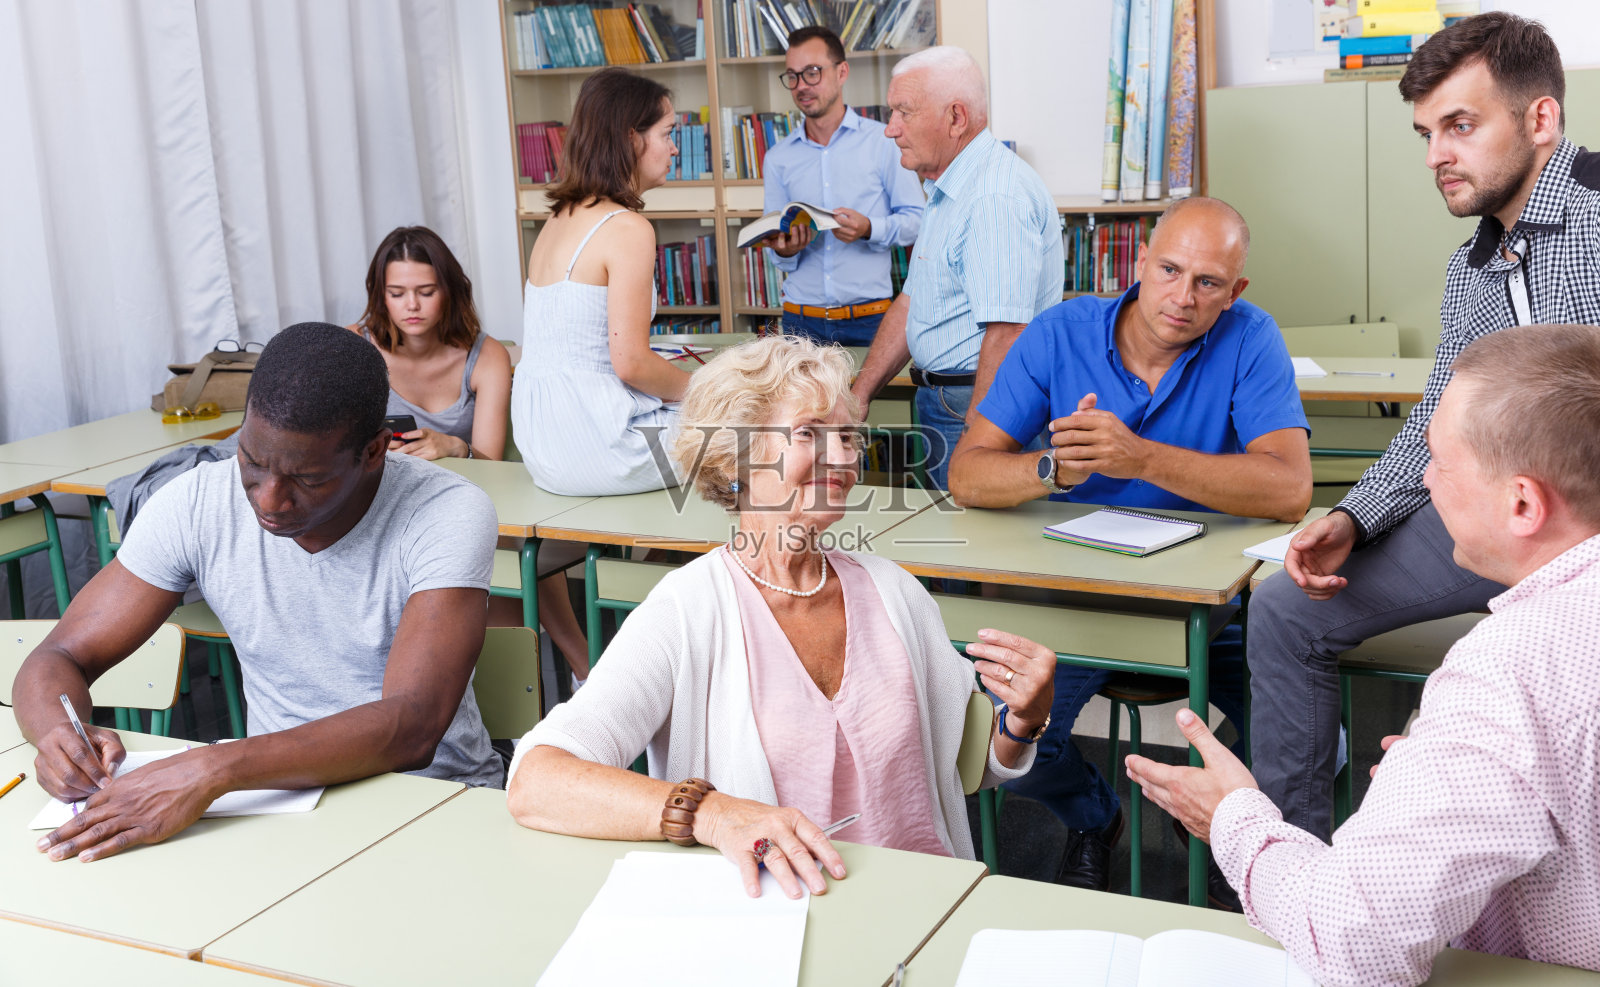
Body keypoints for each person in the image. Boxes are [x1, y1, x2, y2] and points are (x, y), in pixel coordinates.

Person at [1129, 323, 1600, 984]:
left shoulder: (1507, 671)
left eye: (1440, 460)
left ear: (1522, 501)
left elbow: (1358, 947)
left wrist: (1235, 818)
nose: (1427, 483)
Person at [506, 336, 1056, 898]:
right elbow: (536, 781)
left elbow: (966, 766)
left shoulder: (896, 593)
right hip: (774, 922)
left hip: (919, 905)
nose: (843, 458)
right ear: (736, 457)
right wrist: (713, 814)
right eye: (810, 434)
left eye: (847, 437)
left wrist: (1023, 720)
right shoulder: (688, 611)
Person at [1247, 11, 1600, 842]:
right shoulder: (1470, 267)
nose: (1438, 153)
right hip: (1497, 523)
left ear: (1540, 119)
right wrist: (1351, 517)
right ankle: (1293, 870)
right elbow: (1431, 426)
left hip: (1582, 537)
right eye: (1425, 133)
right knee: (1285, 609)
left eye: (1461, 125)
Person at [15, 323, 501, 864]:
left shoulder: (446, 512)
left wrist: (213, 769)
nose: (269, 499)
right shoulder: (197, 503)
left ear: (374, 452)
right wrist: (59, 736)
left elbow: (413, 724)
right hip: (274, 805)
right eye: (252, 461)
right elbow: (58, 656)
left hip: (432, 801)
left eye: (307, 479)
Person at [947, 197, 1311, 893]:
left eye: (1208, 283)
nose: (1182, 296)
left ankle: (1215, 807)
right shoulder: (1061, 332)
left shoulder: (1251, 337)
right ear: (1138, 262)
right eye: (1169, 269)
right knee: (1015, 736)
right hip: (1081, 601)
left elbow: (1289, 488)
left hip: (1216, 609)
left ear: (1235, 293)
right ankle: (1095, 815)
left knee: (1318, 736)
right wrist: (1050, 469)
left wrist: (1140, 458)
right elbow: (968, 472)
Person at [351, 225, 591, 683]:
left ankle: (540, 691)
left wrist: (453, 446)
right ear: (379, 295)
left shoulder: (485, 356)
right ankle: (568, 677)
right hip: (382, 506)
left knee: (496, 543)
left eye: (425, 291)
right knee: (492, 550)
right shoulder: (355, 348)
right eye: (397, 293)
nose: (412, 306)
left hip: (463, 503)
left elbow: (492, 467)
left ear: (450, 291)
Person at [850, 46, 1062, 491]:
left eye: (903, 113)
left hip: (974, 405)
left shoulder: (992, 198)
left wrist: (978, 443)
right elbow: (913, 300)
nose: (890, 129)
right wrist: (858, 394)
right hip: (945, 400)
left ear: (956, 118)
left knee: (980, 552)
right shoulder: (950, 188)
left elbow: (1007, 332)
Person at [512, 68, 692, 497]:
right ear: (632, 138)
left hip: (542, 446)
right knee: (765, 423)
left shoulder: (557, 220)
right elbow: (630, 363)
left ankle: (660, 553)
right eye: (667, 134)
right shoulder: (627, 227)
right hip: (601, 447)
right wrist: (708, 389)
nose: (674, 148)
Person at [761, 26, 923, 348]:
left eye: (812, 73)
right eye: (792, 76)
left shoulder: (883, 142)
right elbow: (776, 245)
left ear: (842, 72)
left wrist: (869, 229)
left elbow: (918, 222)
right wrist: (785, 249)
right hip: (799, 322)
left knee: (868, 401)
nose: (801, 86)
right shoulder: (778, 157)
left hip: (870, 321)